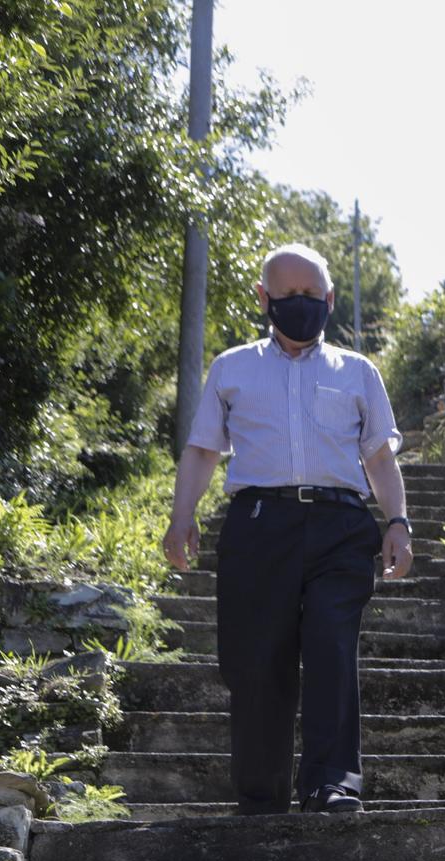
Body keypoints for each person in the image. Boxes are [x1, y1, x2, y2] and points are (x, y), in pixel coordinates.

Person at [160, 242, 414, 815]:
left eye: (310, 294)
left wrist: (396, 521)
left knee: (330, 645)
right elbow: (202, 450)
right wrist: (182, 519)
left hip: (341, 526)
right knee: (256, 661)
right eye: (287, 294)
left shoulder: (357, 372)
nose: (300, 304)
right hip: (258, 526)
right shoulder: (232, 368)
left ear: (328, 299)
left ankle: (332, 783)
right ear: (264, 298)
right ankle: (261, 794)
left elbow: (378, 458)